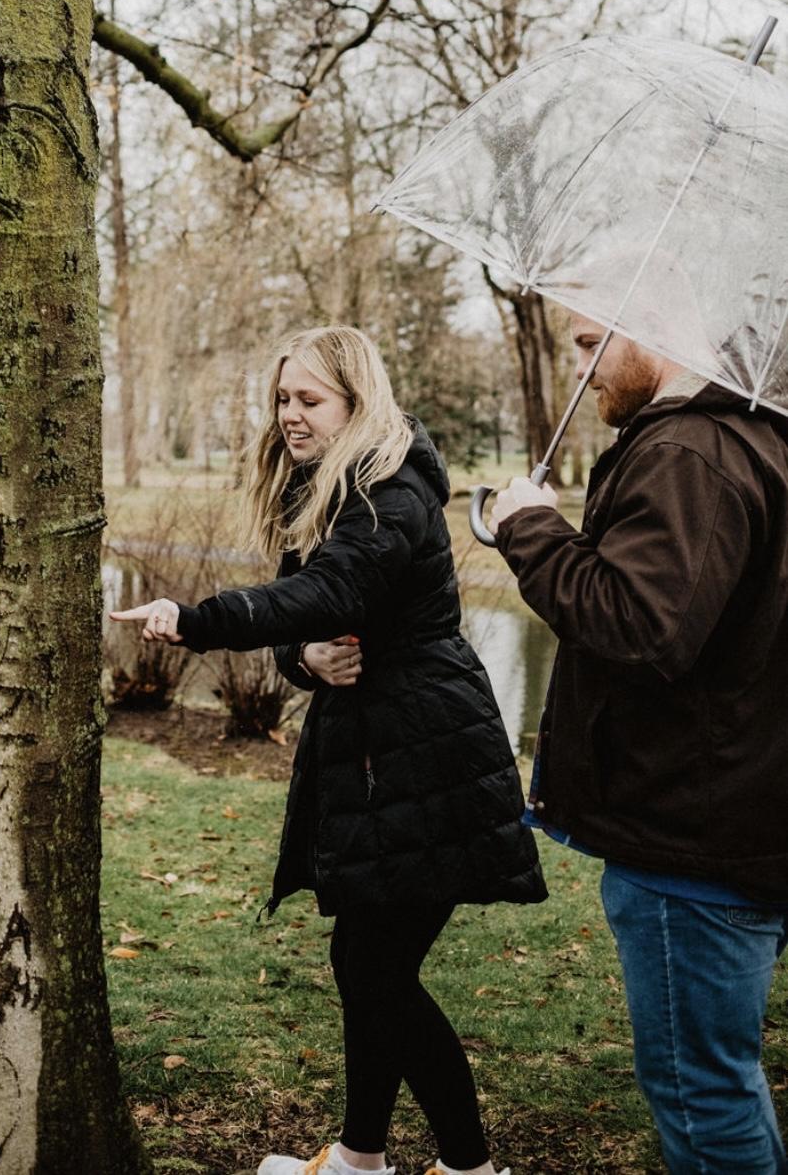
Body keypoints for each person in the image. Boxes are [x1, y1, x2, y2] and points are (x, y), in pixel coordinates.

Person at [111, 325, 545, 1175]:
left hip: (428, 753)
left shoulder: (393, 487)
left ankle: (471, 1166)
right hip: (375, 756)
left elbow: (331, 587)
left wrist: (197, 620)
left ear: (357, 399)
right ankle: (359, 1158)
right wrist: (301, 656)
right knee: (365, 963)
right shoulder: (328, 486)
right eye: (283, 399)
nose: (290, 415)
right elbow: (306, 615)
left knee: (374, 969)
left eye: (309, 399)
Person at [490, 312, 788, 1175]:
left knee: (702, 1093)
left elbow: (642, 627)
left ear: (656, 328)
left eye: (589, 345)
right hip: (737, 820)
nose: (577, 368)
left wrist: (529, 527)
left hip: (692, 843)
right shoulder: (756, 438)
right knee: (726, 1077)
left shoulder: (689, 452)